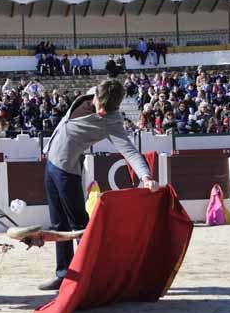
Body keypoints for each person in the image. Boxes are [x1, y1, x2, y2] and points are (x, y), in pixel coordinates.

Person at [39, 79, 159, 291]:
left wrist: (146, 176)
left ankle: (91, 274)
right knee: (59, 224)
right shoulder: (94, 91)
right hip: (51, 163)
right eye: (100, 105)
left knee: (79, 225)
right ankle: (64, 273)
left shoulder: (111, 120)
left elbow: (129, 150)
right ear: (95, 94)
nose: (102, 111)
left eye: (107, 109)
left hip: (68, 171)